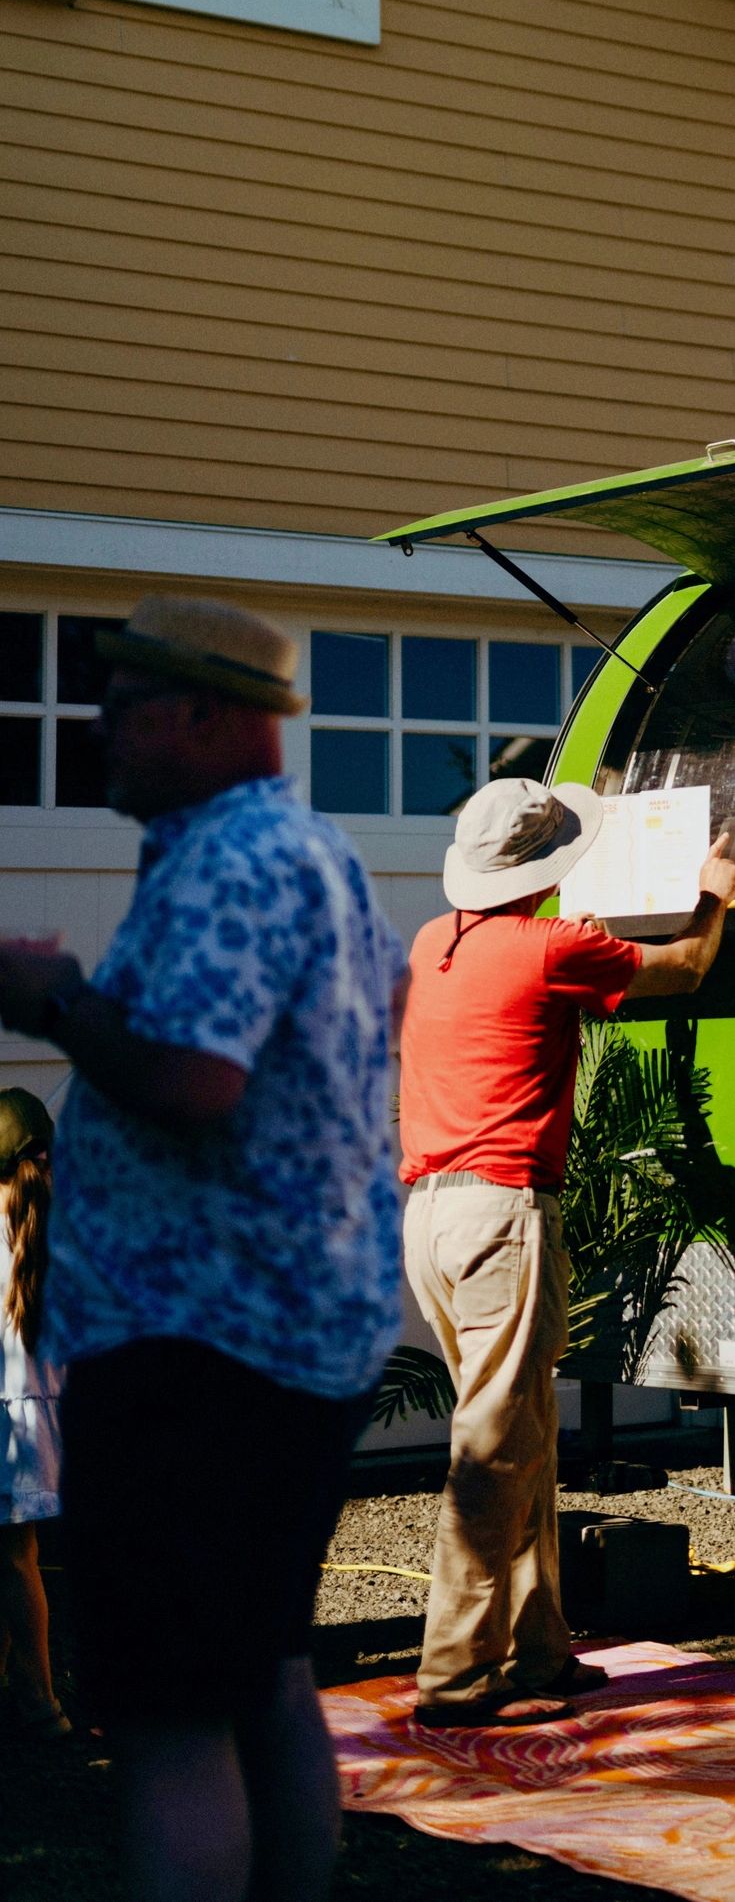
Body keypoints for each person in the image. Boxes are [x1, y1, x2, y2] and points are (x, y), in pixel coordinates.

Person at [0, 595, 407, 1902]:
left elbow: (193, 1083)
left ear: (207, 714)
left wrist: (51, 999)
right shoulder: (308, 850)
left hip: (201, 1351)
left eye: (123, 710)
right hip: (285, 1340)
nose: (101, 735)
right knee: (266, 1669)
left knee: (174, 1718)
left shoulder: (234, 860)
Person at [398, 775, 735, 1726]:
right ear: (546, 870)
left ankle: (539, 1647)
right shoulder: (553, 945)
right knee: (495, 1447)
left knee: (525, 1435)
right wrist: (714, 892)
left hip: (431, 1214)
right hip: (502, 1214)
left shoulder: (437, 942)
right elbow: (682, 970)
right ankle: (455, 1679)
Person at [0, 1087, 68, 1742]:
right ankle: (27, 1693)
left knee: (14, 1560)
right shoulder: (54, 1228)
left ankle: (41, 1701)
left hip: (5, 1424)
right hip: (32, 1423)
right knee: (17, 1557)